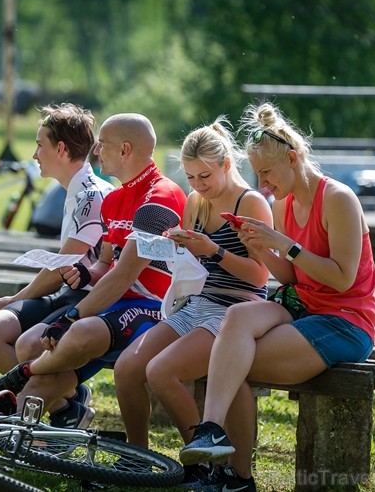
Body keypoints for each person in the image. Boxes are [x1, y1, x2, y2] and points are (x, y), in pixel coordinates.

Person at [179, 102, 375, 491]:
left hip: (346, 320)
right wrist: (257, 248)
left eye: (267, 173)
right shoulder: (284, 202)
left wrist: (284, 244)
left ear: (293, 157)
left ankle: (238, 478)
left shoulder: (338, 198)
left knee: (236, 363)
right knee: (235, 321)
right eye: (258, 175)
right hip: (301, 304)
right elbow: (288, 274)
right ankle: (211, 433)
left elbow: (341, 279)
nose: (263, 184)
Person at [0, 113, 187, 429]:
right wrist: (87, 274)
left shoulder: (160, 196)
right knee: (30, 345)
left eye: (102, 143)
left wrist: (71, 317)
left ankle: (14, 402)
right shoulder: (115, 198)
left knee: (54, 343)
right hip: (112, 301)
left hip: (153, 306)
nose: (96, 150)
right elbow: (106, 265)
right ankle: (17, 430)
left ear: (125, 150)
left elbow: (125, 275)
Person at [112, 118, 272, 483]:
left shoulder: (251, 203)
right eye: (190, 177)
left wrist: (212, 251)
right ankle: (140, 455)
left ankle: (203, 463)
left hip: (234, 311)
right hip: (197, 302)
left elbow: (261, 277)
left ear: (227, 165)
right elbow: (191, 265)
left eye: (205, 176)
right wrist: (173, 248)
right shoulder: (197, 202)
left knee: (161, 371)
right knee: (127, 368)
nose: (198, 185)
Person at [0, 103, 115, 413]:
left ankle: (54, 399)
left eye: (39, 145)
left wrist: (15, 298)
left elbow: (62, 266)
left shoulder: (92, 195)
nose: (34, 155)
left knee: (26, 344)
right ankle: (66, 404)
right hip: (65, 295)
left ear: (61, 149)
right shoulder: (75, 191)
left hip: (86, 302)